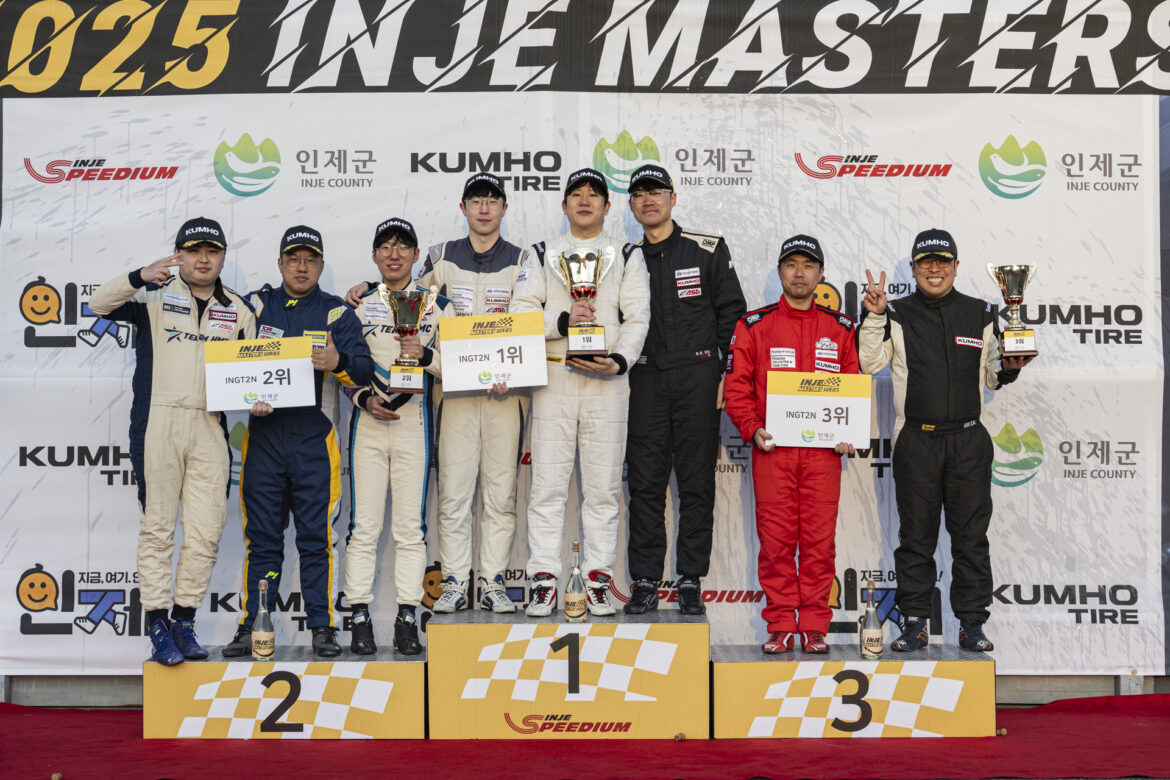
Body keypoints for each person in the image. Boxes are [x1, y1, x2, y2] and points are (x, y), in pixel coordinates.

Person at [347, 174, 527, 614]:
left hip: (505, 391)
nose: (484, 208)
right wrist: (363, 289)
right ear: (463, 208)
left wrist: (511, 367)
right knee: (454, 493)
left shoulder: (523, 260)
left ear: (504, 208)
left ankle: (493, 582)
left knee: (501, 494)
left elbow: (530, 317)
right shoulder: (439, 257)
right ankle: (455, 582)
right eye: (475, 200)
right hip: (453, 392)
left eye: (492, 200)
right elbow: (401, 296)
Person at [89, 217, 256, 665]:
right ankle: (158, 626)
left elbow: (254, 372)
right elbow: (97, 305)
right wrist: (138, 276)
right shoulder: (152, 294)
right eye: (194, 250)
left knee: (205, 533)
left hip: (210, 425)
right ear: (178, 254)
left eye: (212, 251)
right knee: (158, 529)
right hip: (157, 421)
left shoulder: (239, 309)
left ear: (223, 256)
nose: (203, 259)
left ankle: (184, 621)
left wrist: (260, 399)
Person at [859, 228, 1033, 652]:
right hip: (916, 441)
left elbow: (993, 374)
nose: (934, 269)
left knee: (971, 539)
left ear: (956, 266)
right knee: (915, 539)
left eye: (942, 261)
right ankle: (914, 623)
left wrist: (1010, 367)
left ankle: (972, 625)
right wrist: (875, 316)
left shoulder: (982, 313)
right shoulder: (895, 313)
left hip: (968, 441)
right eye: (925, 262)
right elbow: (869, 363)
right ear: (914, 268)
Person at [222, 226, 373, 659]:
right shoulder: (256, 305)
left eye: (310, 260)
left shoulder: (336, 313)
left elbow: (364, 370)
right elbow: (224, 360)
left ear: (322, 266)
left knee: (316, 540)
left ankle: (323, 628)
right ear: (280, 264)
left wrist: (337, 360)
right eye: (294, 259)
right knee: (262, 540)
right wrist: (247, 396)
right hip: (264, 439)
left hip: (314, 441)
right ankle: (252, 627)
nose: (301, 267)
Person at [510, 167, 650, 617]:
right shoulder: (542, 253)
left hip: (608, 384)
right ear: (564, 204)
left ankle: (597, 581)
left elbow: (638, 317)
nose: (585, 200)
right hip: (554, 381)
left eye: (594, 194)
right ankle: (544, 581)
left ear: (608, 206)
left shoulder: (626, 253)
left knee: (604, 491)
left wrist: (620, 360)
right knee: (546, 490)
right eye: (576, 194)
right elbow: (520, 312)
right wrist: (562, 322)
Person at [724, 235, 858, 654]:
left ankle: (815, 626)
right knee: (776, 543)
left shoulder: (841, 328)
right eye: (791, 265)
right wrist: (753, 429)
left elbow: (851, 386)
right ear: (780, 271)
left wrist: (848, 430)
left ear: (821, 274)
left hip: (822, 457)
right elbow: (736, 388)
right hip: (773, 452)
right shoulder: (753, 325)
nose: (799, 273)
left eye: (808, 266)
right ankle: (781, 624)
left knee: (819, 544)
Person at [622, 164, 746, 615]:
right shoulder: (624, 258)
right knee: (645, 485)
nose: (648, 199)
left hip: (698, 378)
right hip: (644, 379)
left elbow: (733, 316)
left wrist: (728, 375)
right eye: (640, 193)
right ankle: (645, 581)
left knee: (696, 484)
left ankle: (690, 578)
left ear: (673, 198)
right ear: (631, 205)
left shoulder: (707, 249)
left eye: (656, 191)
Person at [344, 217, 450, 655]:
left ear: (415, 255)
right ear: (374, 255)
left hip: (414, 424)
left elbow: (458, 364)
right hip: (368, 423)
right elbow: (342, 367)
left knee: (410, 529)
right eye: (385, 246)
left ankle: (408, 618)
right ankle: (359, 617)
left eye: (403, 246)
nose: (394, 253)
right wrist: (362, 398)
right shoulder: (357, 304)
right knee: (363, 528)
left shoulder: (438, 304)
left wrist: (425, 355)